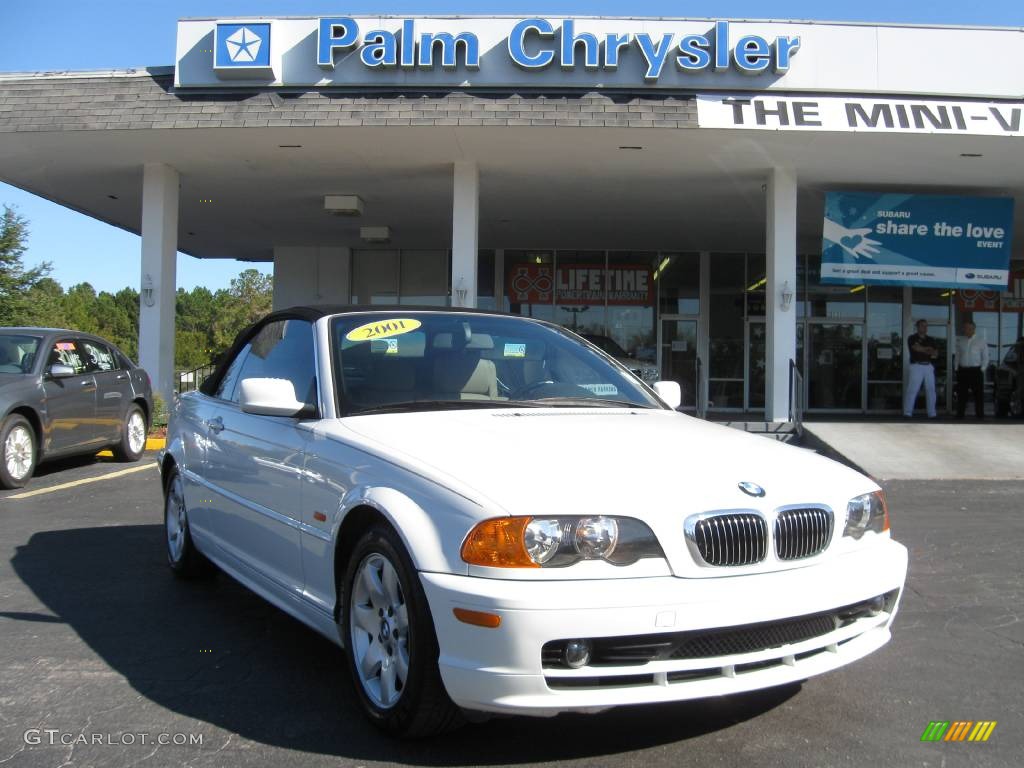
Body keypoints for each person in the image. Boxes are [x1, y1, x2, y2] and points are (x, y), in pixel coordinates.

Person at [903, 319, 939, 418]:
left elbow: (935, 353)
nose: (925, 328)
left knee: (931, 390)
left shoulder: (931, 339)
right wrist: (928, 349)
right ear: (917, 327)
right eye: (923, 326)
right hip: (916, 366)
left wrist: (923, 349)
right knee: (913, 389)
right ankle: (907, 412)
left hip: (928, 366)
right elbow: (915, 348)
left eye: (926, 326)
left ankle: (932, 413)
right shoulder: (912, 337)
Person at [955, 321, 989, 418]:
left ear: (974, 329)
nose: (967, 330)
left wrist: (982, 369)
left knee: (978, 394)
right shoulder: (960, 340)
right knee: (961, 394)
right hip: (963, 370)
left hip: (976, 371)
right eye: (966, 328)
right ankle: (960, 415)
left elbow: (985, 357)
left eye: (970, 328)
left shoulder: (981, 341)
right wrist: (956, 368)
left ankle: (980, 415)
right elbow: (957, 355)